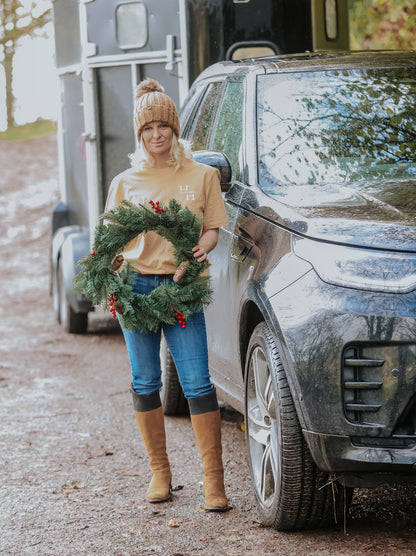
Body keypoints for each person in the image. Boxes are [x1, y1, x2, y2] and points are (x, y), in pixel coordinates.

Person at [104, 78, 229, 511]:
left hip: (181, 287)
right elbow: (111, 240)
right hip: (137, 288)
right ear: (140, 135)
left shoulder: (202, 175)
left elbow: (211, 228)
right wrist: (114, 275)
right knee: (145, 381)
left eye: (164, 127)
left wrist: (200, 250)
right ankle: (160, 474)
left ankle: (214, 482)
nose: (157, 135)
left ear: (175, 130)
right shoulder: (124, 182)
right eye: (148, 129)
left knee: (196, 381)